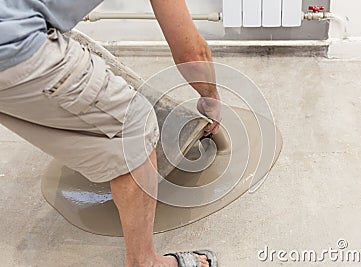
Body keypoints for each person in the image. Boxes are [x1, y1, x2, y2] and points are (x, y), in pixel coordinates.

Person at [0, 0, 221, 266]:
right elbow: (191, 55)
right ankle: (145, 261)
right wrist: (210, 97)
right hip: (16, 47)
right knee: (137, 125)